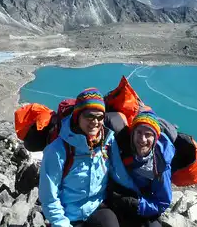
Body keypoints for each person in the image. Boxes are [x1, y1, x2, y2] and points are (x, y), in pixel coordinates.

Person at [39, 88, 137, 227]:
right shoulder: (58, 150)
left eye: (100, 117)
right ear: (77, 116)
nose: (95, 122)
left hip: (97, 208)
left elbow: (119, 173)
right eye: (89, 116)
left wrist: (138, 194)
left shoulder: (107, 141)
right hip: (68, 215)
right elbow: (49, 196)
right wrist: (62, 224)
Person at [106, 111, 175, 227]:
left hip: (141, 203)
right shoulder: (119, 147)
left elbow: (162, 202)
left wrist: (137, 205)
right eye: (139, 132)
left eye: (148, 134)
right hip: (114, 197)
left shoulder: (160, 165)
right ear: (132, 133)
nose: (142, 139)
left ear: (155, 138)